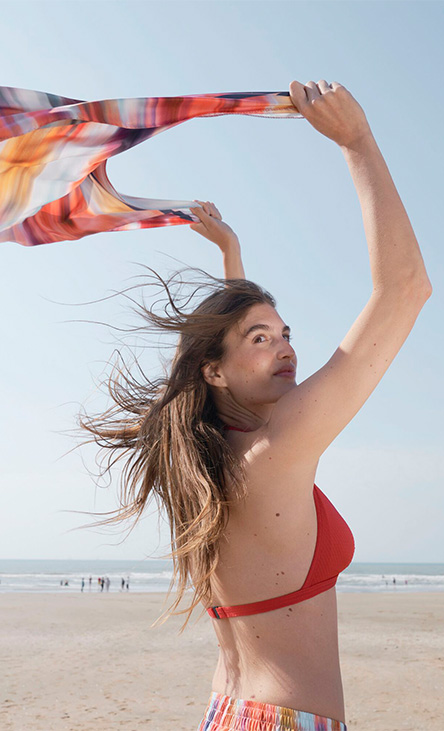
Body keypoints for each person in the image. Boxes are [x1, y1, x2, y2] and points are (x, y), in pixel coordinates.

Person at [72, 80, 431, 731]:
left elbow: (232, 358)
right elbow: (405, 288)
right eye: (262, 339)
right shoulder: (276, 448)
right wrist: (357, 141)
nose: (285, 347)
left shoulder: (206, 464)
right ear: (214, 369)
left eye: (287, 333)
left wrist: (232, 256)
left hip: (233, 712)